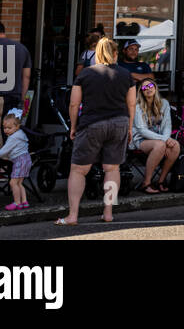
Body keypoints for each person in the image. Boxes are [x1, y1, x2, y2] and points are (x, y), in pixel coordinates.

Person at [57, 37, 135, 225]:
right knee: (112, 168)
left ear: (97, 55)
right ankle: (108, 212)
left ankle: (73, 215)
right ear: (116, 53)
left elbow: (74, 103)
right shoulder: (126, 75)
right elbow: (132, 103)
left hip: (92, 123)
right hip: (119, 122)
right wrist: (130, 127)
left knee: (78, 170)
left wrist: (73, 126)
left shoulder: (85, 74)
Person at [132, 79, 179, 193]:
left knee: (176, 146)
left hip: (159, 139)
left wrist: (166, 138)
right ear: (141, 92)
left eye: (150, 85)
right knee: (160, 146)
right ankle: (146, 183)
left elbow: (167, 125)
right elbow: (142, 130)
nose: (148, 89)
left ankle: (161, 181)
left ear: (155, 87)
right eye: (144, 88)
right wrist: (165, 139)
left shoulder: (164, 103)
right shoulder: (137, 106)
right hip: (140, 139)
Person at [0, 112, 32, 211]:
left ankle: (17, 203)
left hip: (20, 161)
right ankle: (24, 202)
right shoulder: (20, 134)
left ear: (17, 127)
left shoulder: (13, 138)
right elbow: (15, 150)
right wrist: (8, 157)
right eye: (4, 128)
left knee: (13, 183)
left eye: (9, 128)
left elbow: (5, 150)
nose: (6, 130)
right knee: (19, 183)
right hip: (26, 159)